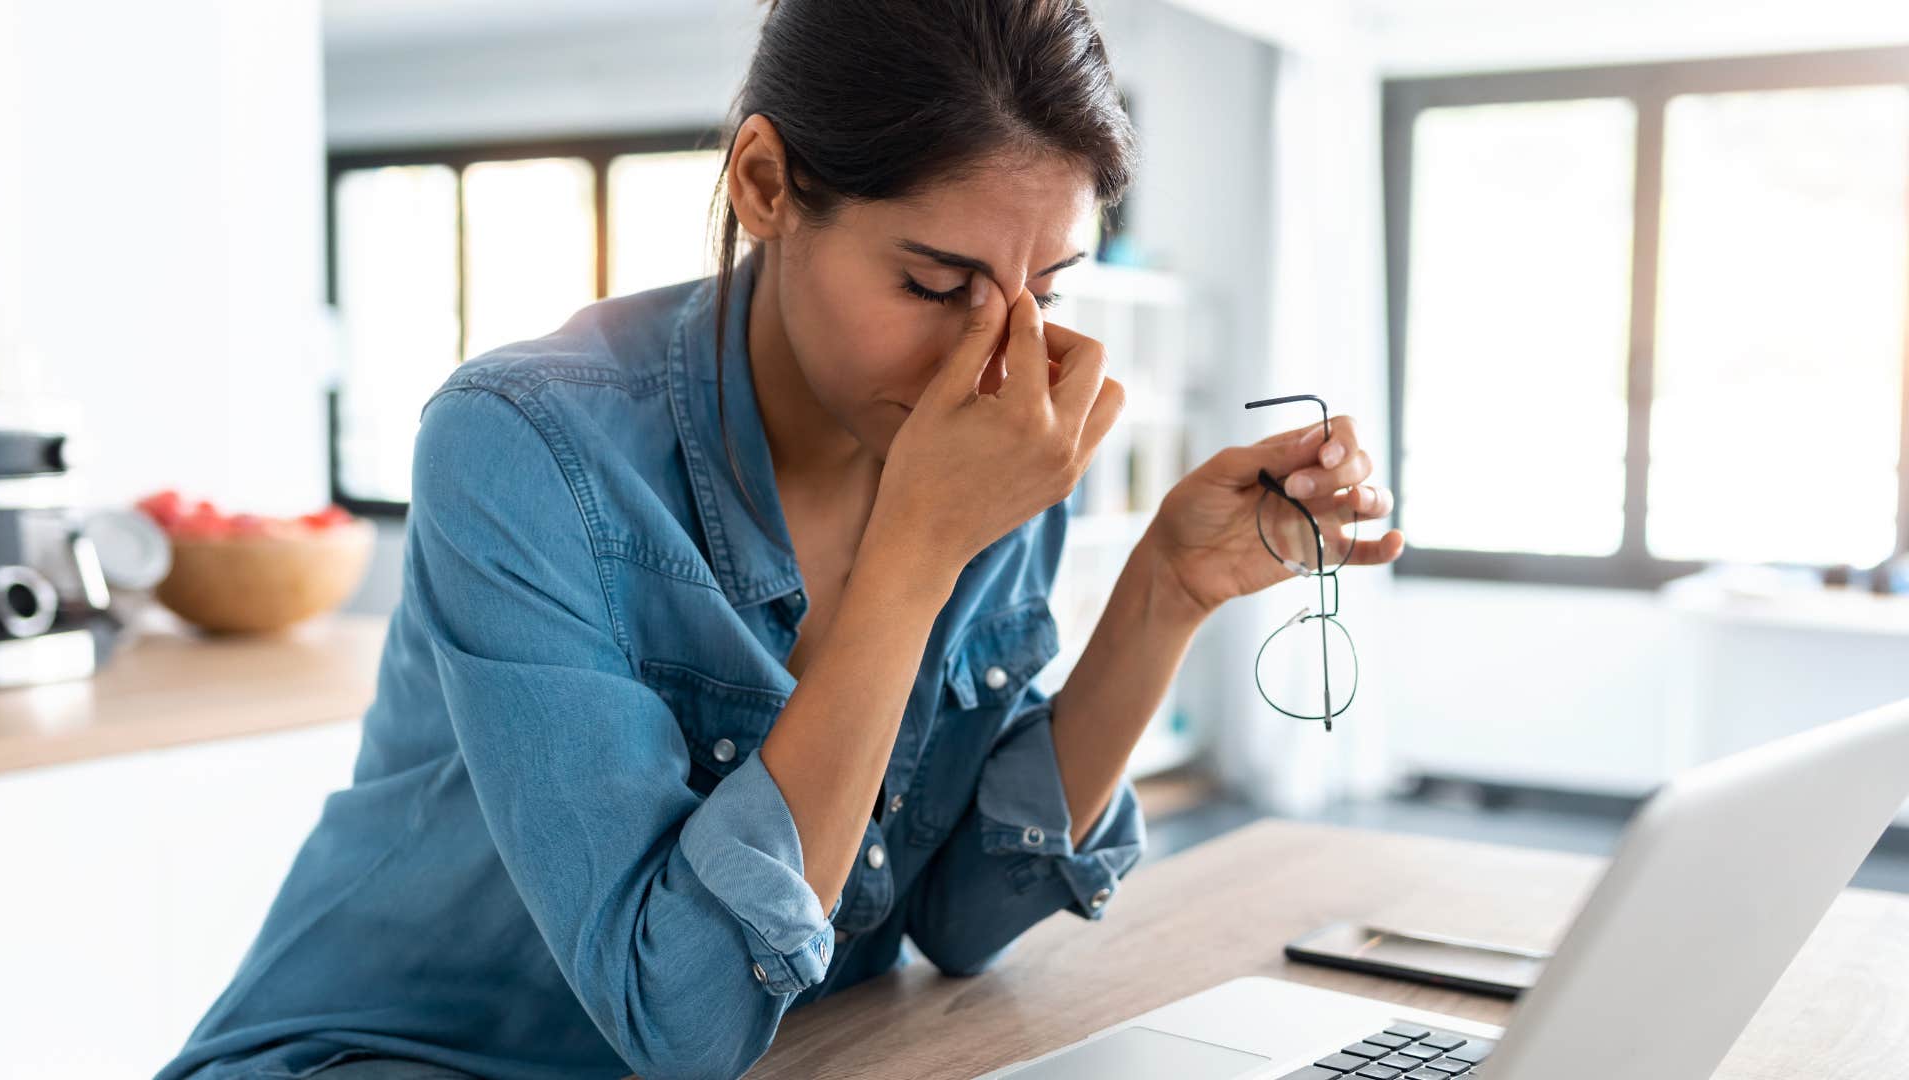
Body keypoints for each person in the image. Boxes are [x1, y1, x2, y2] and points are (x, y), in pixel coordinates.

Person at [155, 1, 1403, 1078]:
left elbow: (962, 915)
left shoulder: (991, 436)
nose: (1001, 361)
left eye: (1049, 291)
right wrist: (913, 558)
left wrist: (1165, 594)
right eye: (932, 283)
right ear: (763, 184)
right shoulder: (523, 446)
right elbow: (680, 1017)